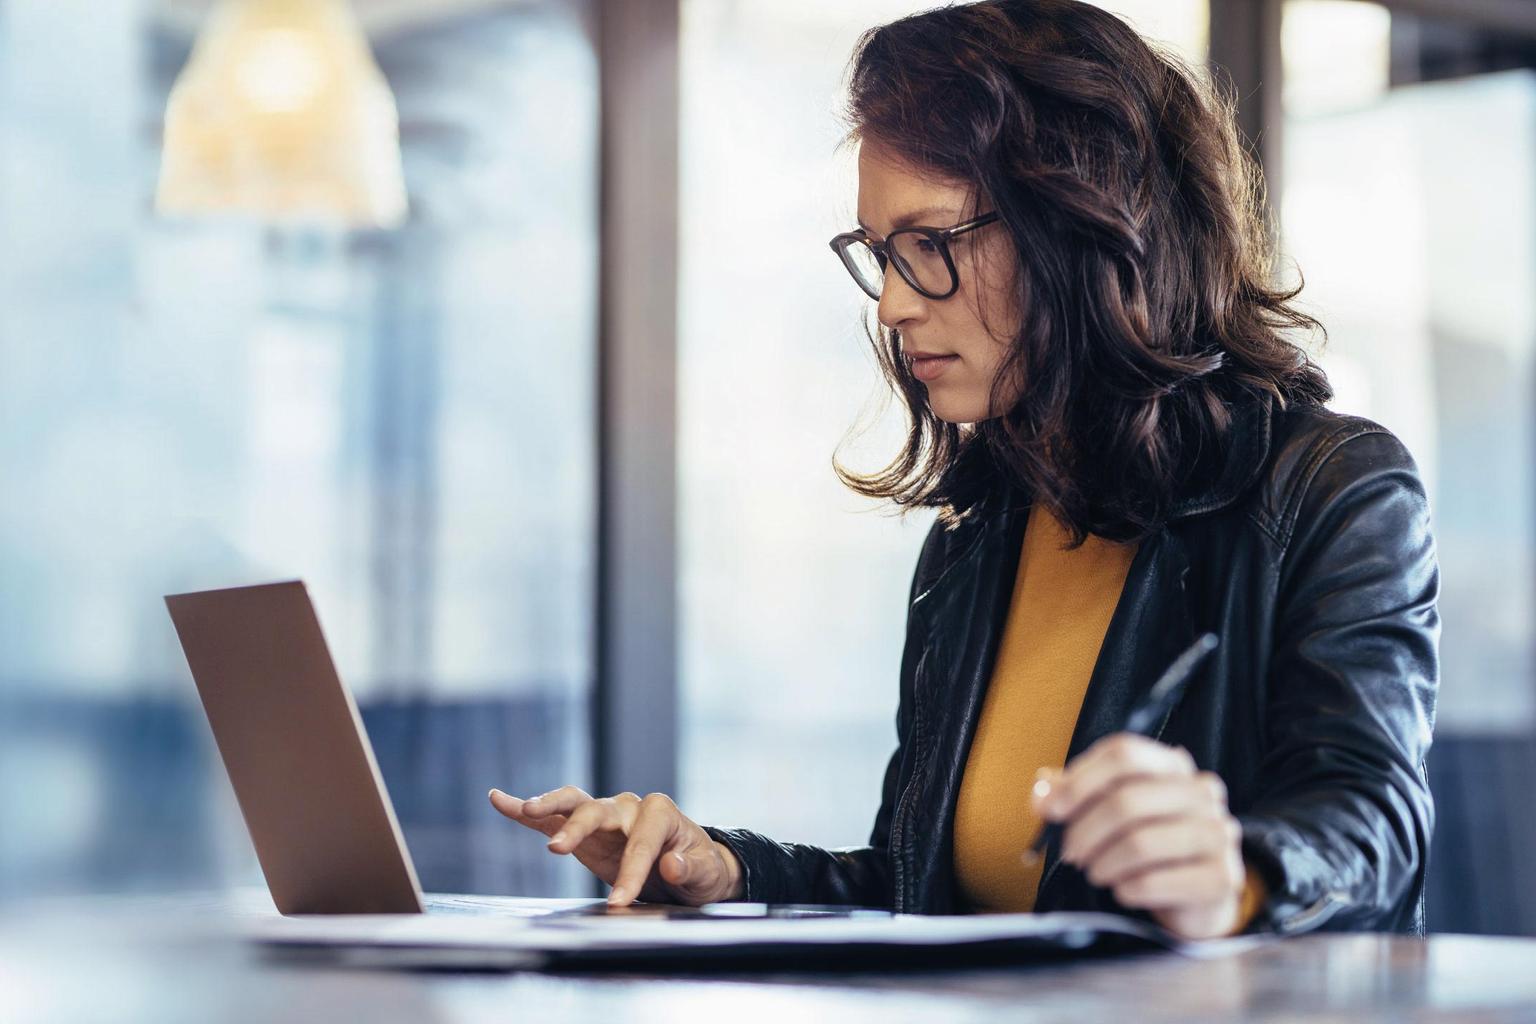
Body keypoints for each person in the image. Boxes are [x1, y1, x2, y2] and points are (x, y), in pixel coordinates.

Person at [488, 0, 1439, 940]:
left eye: (931, 246)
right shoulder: (981, 530)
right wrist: (723, 869)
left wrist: (1232, 879)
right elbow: (922, 891)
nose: (895, 303)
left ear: (1082, 224)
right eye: (882, 254)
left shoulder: (1334, 489)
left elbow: (1374, 826)